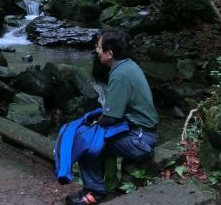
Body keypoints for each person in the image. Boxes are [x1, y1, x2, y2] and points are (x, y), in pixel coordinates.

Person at [67, 28, 159, 205]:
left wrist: (90, 125)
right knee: (97, 136)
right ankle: (106, 184)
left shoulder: (119, 76)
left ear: (109, 53)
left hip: (141, 139)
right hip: (142, 132)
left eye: (99, 47)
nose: (96, 50)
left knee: (86, 143)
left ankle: (94, 192)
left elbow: (110, 118)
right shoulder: (128, 65)